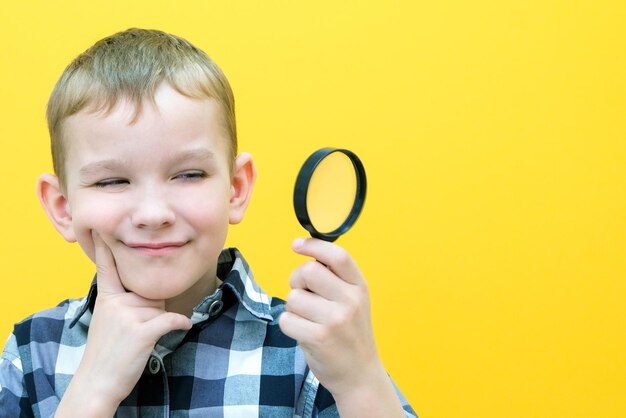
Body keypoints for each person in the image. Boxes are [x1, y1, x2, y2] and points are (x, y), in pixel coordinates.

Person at [0, 28, 417, 417]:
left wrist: (360, 380)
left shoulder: (311, 351)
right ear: (62, 206)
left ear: (235, 188)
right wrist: (92, 390)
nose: (153, 214)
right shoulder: (30, 351)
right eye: (112, 180)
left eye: (188, 175)